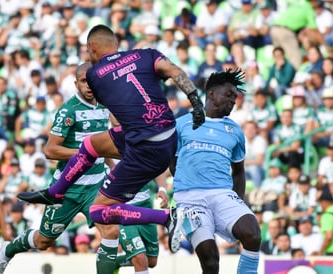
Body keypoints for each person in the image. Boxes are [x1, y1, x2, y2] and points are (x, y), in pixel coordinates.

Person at [17, 24, 205, 271]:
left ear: (92, 48)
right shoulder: (145, 53)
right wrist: (195, 101)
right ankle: (56, 192)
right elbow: (173, 70)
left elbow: (108, 105)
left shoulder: (95, 74)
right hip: (165, 134)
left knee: (97, 211)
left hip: (144, 147)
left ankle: (169, 218)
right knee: (92, 144)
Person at [0, 62, 112, 274]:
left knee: (111, 230)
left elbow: (104, 144)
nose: (89, 85)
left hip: (96, 187)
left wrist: (111, 167)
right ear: (76, 83)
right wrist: (85, 153)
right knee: (44, 240)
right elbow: (50, 150)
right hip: (68, 188)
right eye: (84, 81)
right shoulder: (68, 110)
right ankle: (9, 249)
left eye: (92, 80)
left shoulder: (104, 105)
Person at [170, 68, 261, 274]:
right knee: (211, 261)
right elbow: (172, 162)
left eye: (235, 98)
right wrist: (186, 184)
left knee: (252, 233)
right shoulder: (182, 124)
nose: (232, 101)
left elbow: (238, 172)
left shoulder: (235, 131)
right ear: (211, 93)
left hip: (222, 194)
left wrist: (237, 202)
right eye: (228, 95)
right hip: (190, 199)